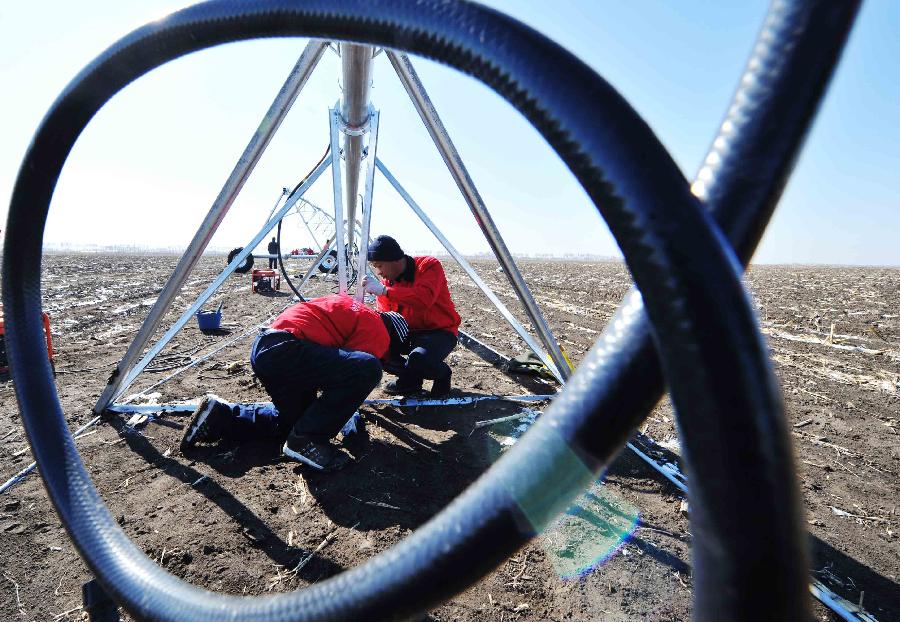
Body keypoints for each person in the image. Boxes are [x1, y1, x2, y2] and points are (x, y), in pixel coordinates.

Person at [181, 293, 410, 472]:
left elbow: (332, 363)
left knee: (297, 422)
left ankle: (221, 416)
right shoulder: (379, 330)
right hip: (289, 350)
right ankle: (307, 441)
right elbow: (353, 374)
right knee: (369, 368)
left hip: (269, 348)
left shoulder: (351, 307)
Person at [362, 235, 461, 398]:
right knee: (378, 349)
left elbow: (424, 299)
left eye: (379, 266)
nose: (379, 272)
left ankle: (442, 374)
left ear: (394, 259)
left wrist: (385, 292)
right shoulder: (387, 282)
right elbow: (389, 317)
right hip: (409, 333)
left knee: (419, 360)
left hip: (439, 332)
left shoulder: (428, 266)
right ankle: (410, 381)